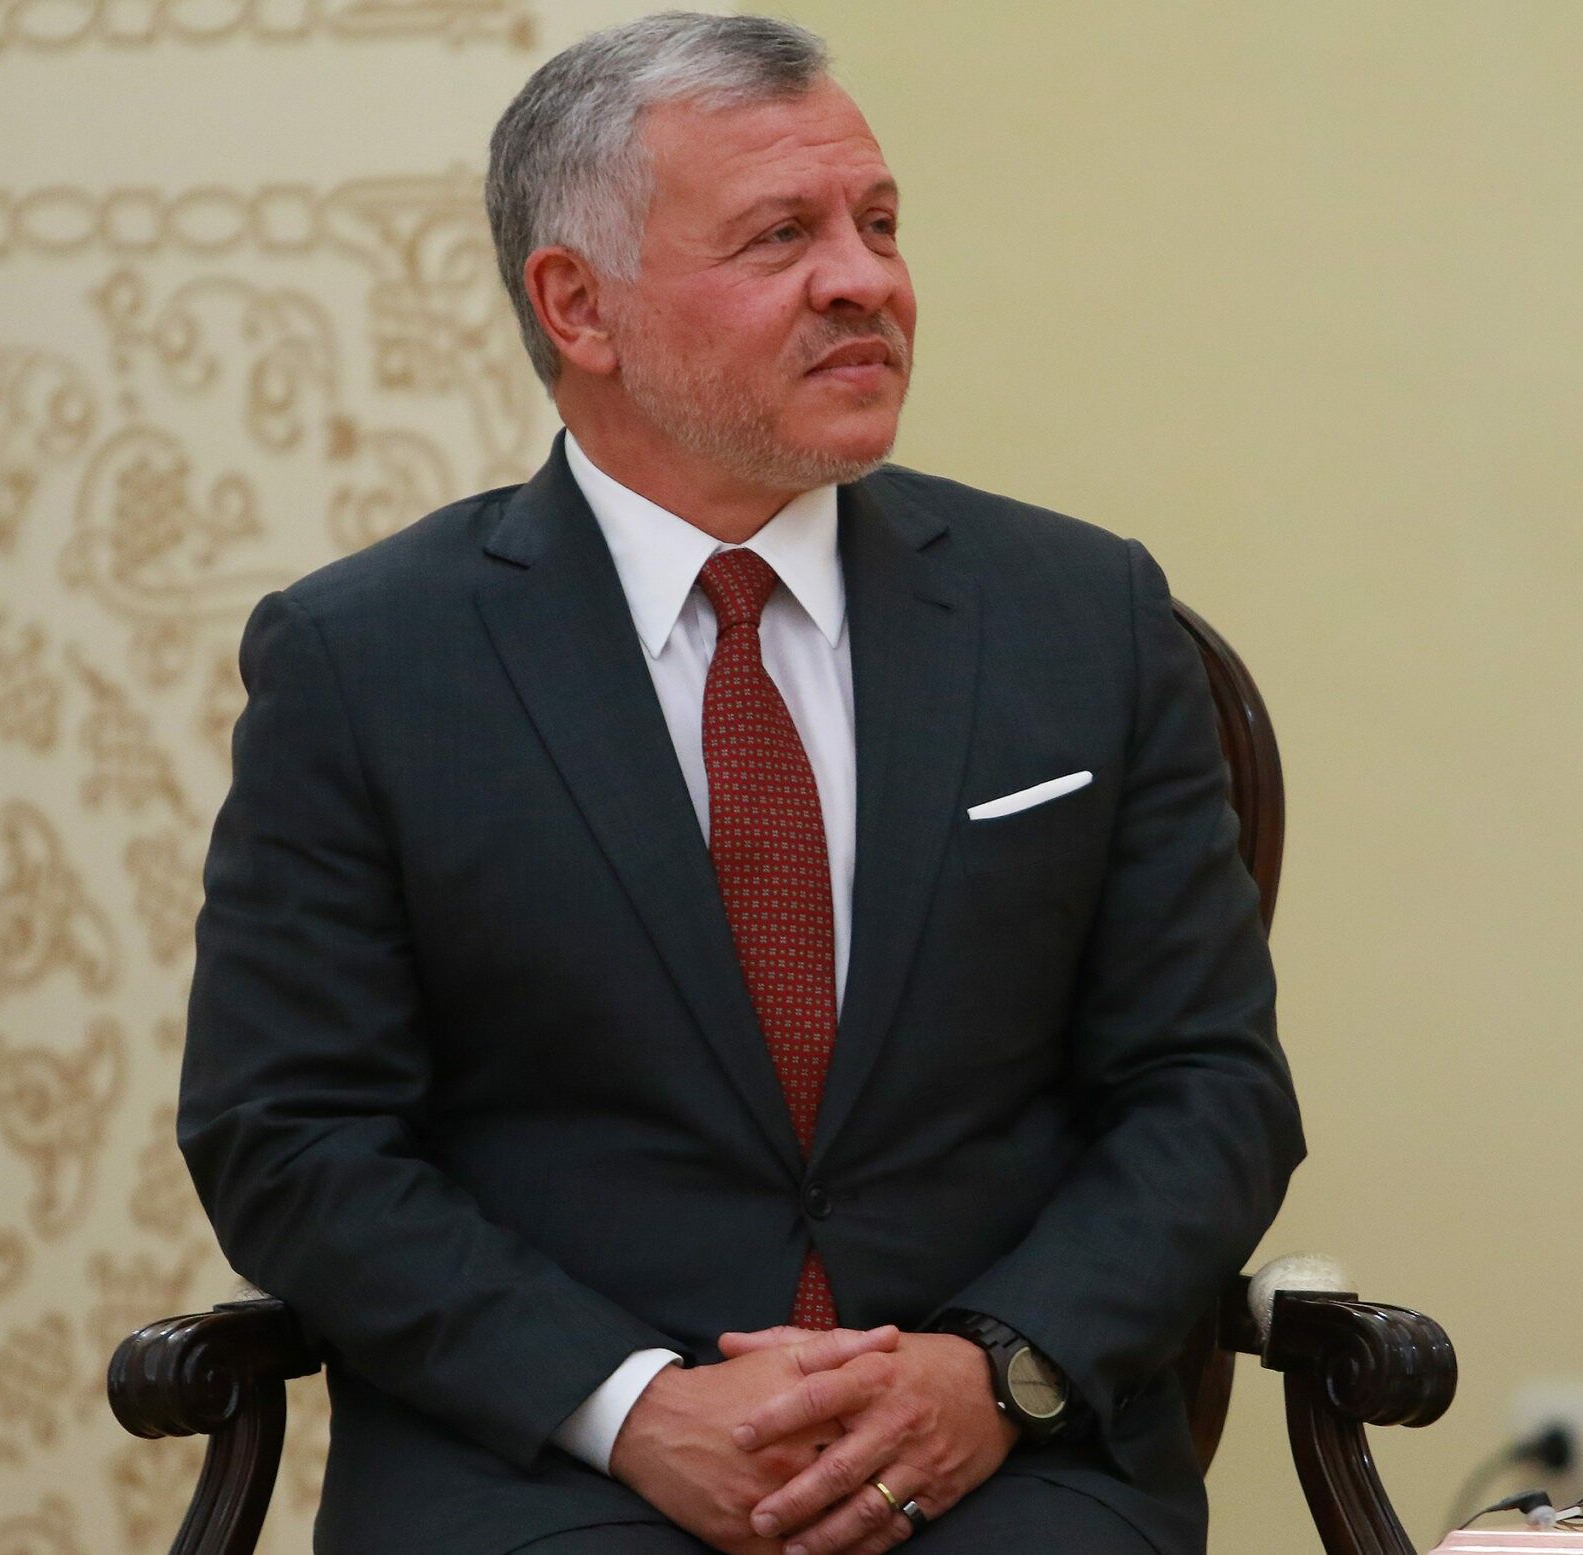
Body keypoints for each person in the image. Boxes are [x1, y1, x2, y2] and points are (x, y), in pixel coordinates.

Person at [177, 12, 1302, 1555]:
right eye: (782, 236)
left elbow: (1208, 1090)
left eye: (878, 224)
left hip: (1000, 1463)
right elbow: (291, 1133)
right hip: (551, 1476)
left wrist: (997, 1369)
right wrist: (628, 1406)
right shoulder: (367, 662)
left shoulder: (1079, 618)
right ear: (578, 305)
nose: (863, 279)